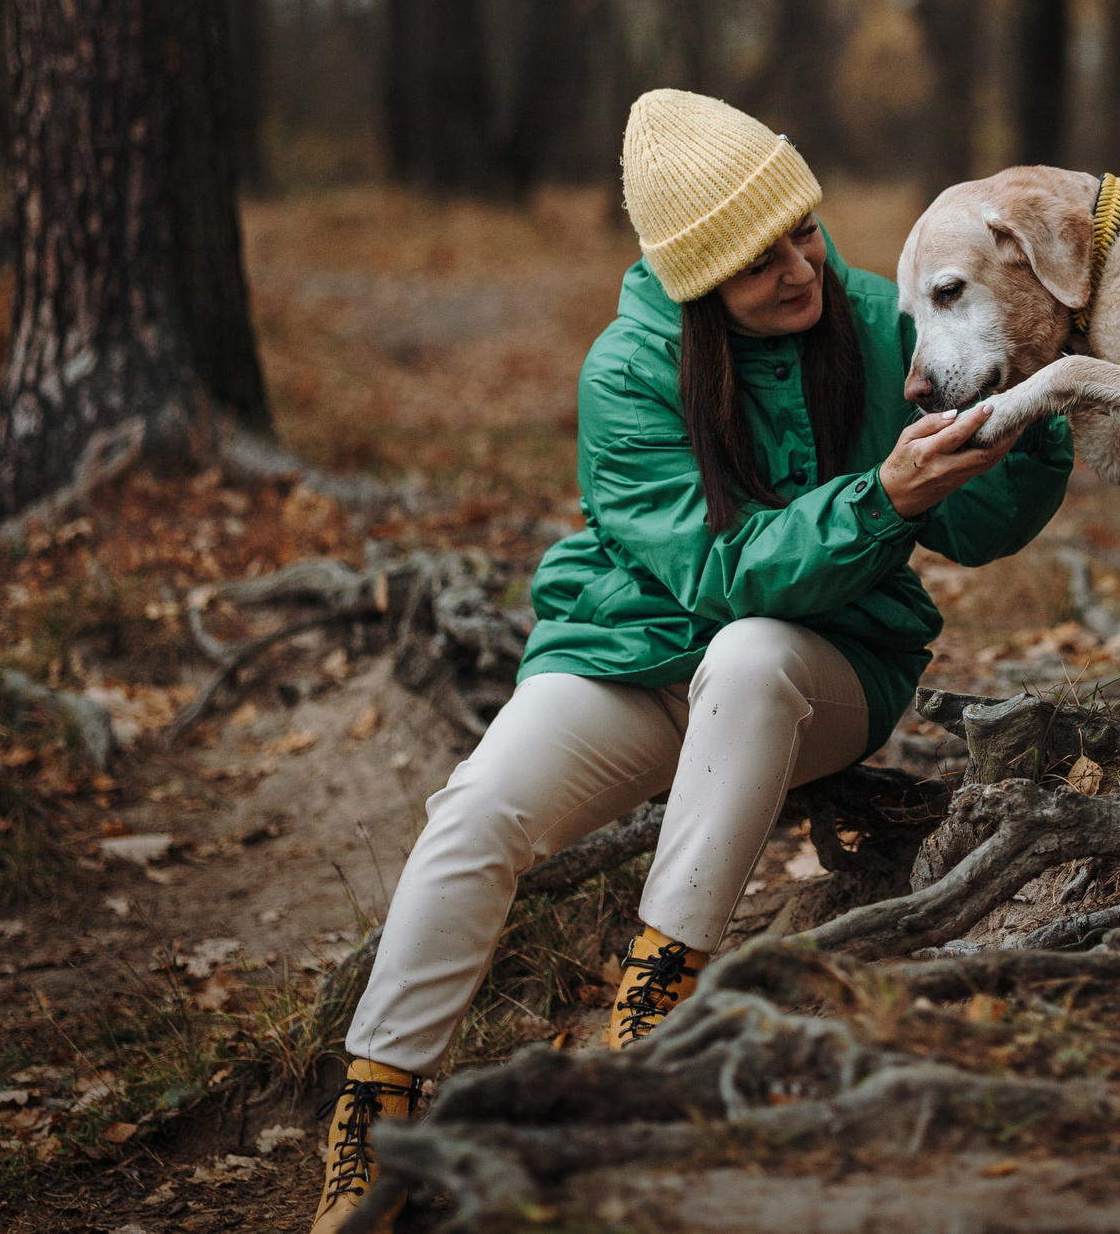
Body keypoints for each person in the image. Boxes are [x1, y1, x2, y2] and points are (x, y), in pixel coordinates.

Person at [311, 89, 1072, 1233]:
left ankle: (659, 1007)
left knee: (755, 656)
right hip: (632, 656)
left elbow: (978, 528)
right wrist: (877, 497)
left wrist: (1025, 405)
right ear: (693, 278)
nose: (797, 266)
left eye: (801, 230)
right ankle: (374, 1112)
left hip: (820, 671)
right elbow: (717, 570)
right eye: (756, 257)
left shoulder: (876, 321)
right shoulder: (628, 372)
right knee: (475, 811)